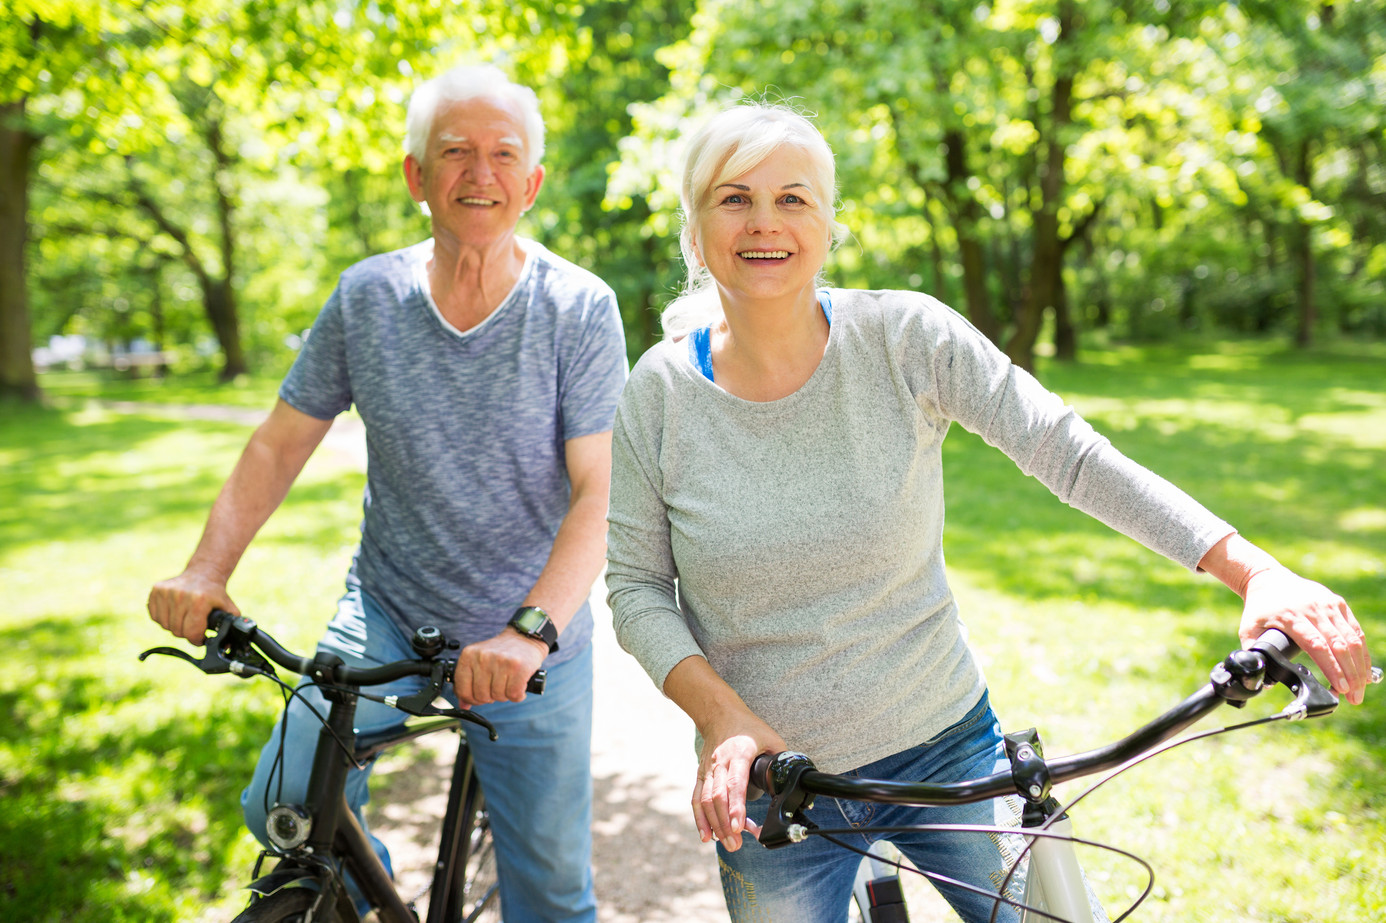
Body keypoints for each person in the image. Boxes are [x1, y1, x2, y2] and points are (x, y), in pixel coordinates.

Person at [603, 102, 1372, 923]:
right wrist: (723, 720)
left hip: (947, 742)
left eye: (793, 198)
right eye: (734, 198)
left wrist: (1253, 569)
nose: (765, 222)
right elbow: (638, 586)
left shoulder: (905, 337)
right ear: (695, 226)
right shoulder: (659, 394)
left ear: (829, 225)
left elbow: (1066, 451)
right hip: (774, 782)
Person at [147, 64, 627, 921]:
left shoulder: (577, 306)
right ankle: (358, 900)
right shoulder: (366, 297)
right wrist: (203, 569)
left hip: (531, 637)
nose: (479, 174)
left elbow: (601, 491)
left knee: (552, 897)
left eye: (502, 155)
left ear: (533, 182)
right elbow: (278, 443)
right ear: (415, 175)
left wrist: (528, 633)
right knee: (287, 813)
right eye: (454, 153)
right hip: (387, 610)